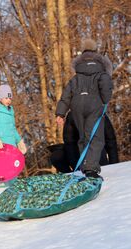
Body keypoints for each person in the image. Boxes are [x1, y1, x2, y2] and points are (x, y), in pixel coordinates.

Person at [55, 38, 113, 179]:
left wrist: (60, 113)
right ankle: (91, 169)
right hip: (95, 104)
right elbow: (106, 84)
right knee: (96, 137)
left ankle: (86, 166)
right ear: (95, 52)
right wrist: (105, 100)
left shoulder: (76, 77)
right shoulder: (101, 71)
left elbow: (66, 94)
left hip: (77, 106)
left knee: (83, 137)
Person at [49, 112, 119, 173]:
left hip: (96, 149)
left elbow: (111, 140)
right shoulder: (72, 116)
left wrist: (114, 164)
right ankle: (70, 174)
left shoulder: (100, 114)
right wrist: (76, 169)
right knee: (57, 156)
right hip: (77, 151)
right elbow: (69, 144)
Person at [0, 84, 27, 155]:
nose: (8, 100)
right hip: (0, 145)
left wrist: (19, 141)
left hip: (11, 145)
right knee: (0, 165)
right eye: (6, 98)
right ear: (0, 98)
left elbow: (13, 129)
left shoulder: (10, 111)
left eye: (10, 98)